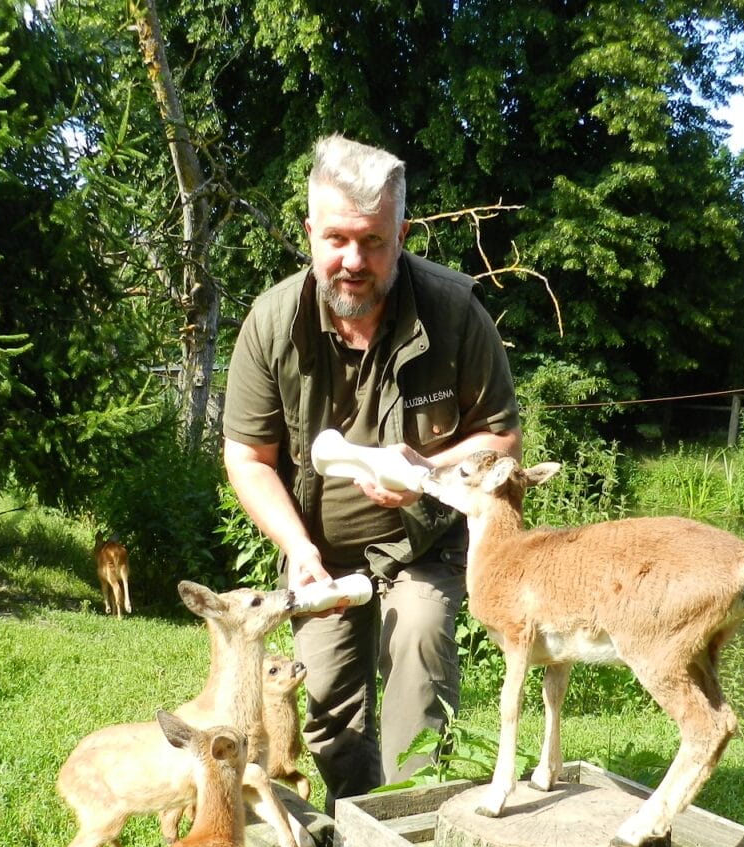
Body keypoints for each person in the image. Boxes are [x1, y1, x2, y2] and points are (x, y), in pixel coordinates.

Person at [222, 133, 521, 806]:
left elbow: (502, 439)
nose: (352, 260)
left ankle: (413, 835)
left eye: (374, 242)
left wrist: (425, 470)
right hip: (320, 556)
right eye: (335, 240)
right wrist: (295, 546)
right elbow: (248, 457)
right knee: (325, 712)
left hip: (423, 544)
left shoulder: (453, 312)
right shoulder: (272, 324)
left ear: (402, 232)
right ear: (309, 233)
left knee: (417, 645)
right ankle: (360, 829)